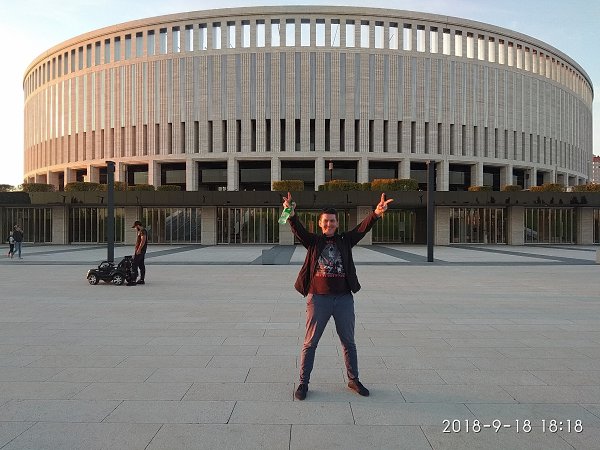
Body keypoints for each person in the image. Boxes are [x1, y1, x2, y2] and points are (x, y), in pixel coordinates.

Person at [283, 192, 393, 400]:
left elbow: (362, 228)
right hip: (318, 299)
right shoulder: (314, 241)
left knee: (348, 342)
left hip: (343, 299)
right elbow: (298, 230)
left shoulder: (345, 240)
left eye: (332, 221)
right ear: (320, 223)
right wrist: (290, 213)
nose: (329, 224)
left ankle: (353, 379)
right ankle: (303, 383)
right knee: (310, 343)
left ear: (337, 223)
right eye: (325, 221)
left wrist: (377, 213)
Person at [128, 220, 147, 286]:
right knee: (141, 265)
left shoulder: (142, 231)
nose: (135, 228)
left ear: (138, 225)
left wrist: (139, 249)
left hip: (140, 251)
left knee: (134, 264)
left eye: (135, 227)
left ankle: (133, 280)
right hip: (141, 251)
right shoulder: (142, 231)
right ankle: (142, 280)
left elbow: (143, 240)